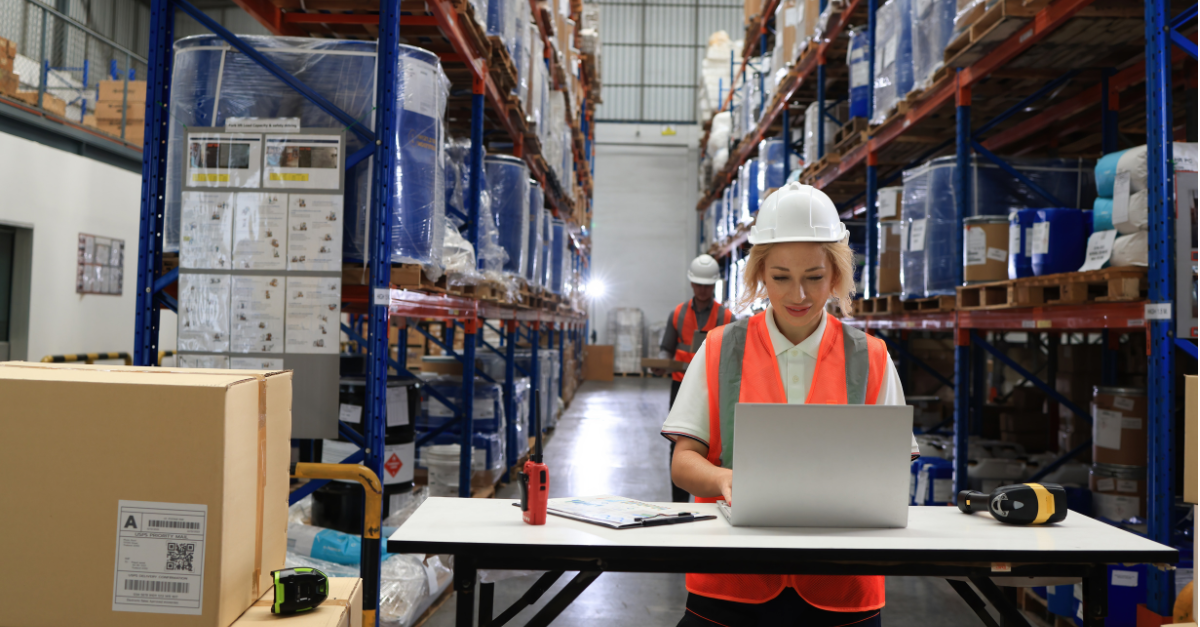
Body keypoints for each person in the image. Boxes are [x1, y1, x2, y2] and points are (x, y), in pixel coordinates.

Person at [661, 183, 920, 627]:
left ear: (835, 274)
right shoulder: (720, 349)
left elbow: (895, 469)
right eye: (781, 277)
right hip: (730, 583)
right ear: (760, 274)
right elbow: (683, 463)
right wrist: (727, 479)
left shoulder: (871, 357)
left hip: (842, 587)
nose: (798, 295)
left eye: (814, 277)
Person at [657, 253, 733, 503]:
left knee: (711, 443)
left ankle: (711, 494)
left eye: (707, 285)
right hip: (680, 385)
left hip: (714, 388)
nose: (702, 290)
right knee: (680, 445)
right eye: (699, 284)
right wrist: (660, 364)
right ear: (691, 283)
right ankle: (678, 502)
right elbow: (667, 348)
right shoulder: (678, 314)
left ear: (714, 285)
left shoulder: (727, 318)